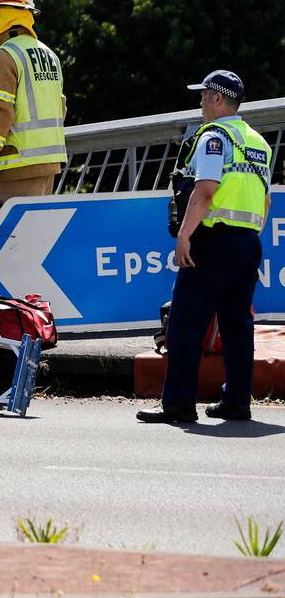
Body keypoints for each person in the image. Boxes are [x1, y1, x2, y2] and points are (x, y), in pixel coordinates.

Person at [138, 70, 271, 424]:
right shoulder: (258, 142)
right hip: (248, 241)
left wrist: (184, 235)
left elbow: (206, 190)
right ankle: (237, 402)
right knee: (237, 325)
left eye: (203, 95)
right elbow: (266, 201)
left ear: (217, 98)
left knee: (185, 323)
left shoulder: (214, 137)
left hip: (213, 241)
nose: (199, 102)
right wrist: (248, 236)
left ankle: (178, 405)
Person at [0, 0, 67, 202]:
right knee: (39, 233)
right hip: (48, 163)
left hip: (17, 163)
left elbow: (0, 114)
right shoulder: (50, 55)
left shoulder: (2, 58)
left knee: (16, 236)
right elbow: (60, 108)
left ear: (1, 15)